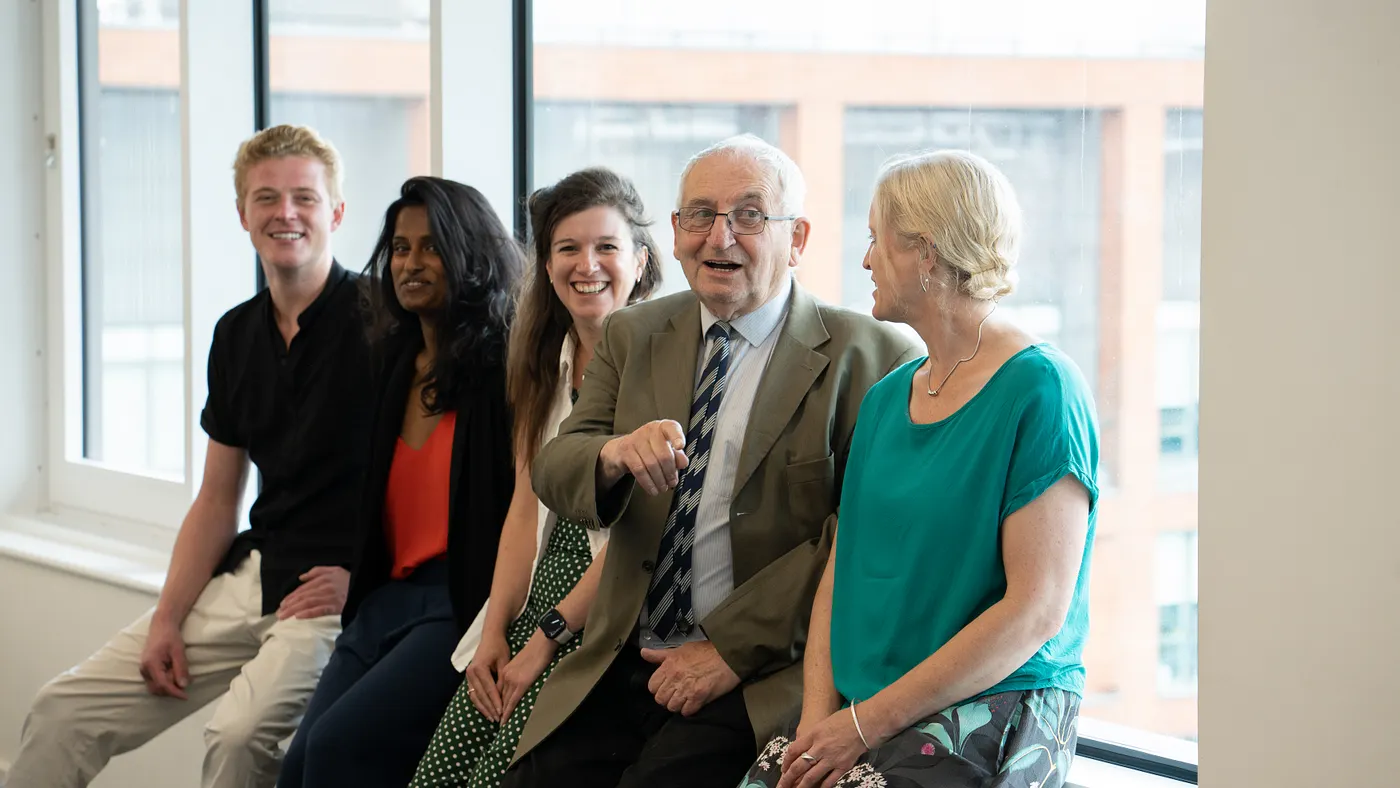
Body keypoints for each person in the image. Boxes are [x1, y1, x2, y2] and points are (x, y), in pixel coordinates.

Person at [498, 135, 922, 788]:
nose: (718, 237)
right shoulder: (633, 333)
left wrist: (728, 648)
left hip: (756, 667)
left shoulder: (870, 357)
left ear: (799, 238)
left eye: (749, 216)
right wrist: (610, 456)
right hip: (622, 651)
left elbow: (854, 542)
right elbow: (555, 469)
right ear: (674, 231)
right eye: (700, 214)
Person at [8, 125, 373, 788]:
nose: (284, 213)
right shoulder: (235, 333)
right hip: (252, 574)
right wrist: (167, 620)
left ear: (337, 212)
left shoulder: (384, 322)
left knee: (236, 738)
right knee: (62, 710)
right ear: (242, 215)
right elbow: (216, 498)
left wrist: (366, 575)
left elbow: (435, 485)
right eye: (266, 198)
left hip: (331, 592)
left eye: (304, 198)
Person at [738, 150, 1099, 788]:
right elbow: (840, 572)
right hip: (864, 708)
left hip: (996, 704)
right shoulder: (886, 399)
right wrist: (818, 721)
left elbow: (1037, 610)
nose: (866, 259)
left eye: (877, 239)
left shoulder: (1043, 390)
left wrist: (861, 726)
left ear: (926, 254)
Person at [410, 167, 663, 788]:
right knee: (436, 774)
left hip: (601, 621)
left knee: (496, 778)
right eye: (568, 248)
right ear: (546, 265)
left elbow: (639, 541)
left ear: (642, 259)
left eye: (607, 246)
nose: (588, 265)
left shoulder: (662, 364)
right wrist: (495, 629)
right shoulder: (544, 365)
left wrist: (544, 641)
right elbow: (524, 511)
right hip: (533, 611)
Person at [275, 177, 521, 788]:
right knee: (297, 766)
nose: (411, 263)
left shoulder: (504, 370)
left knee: (339, 749)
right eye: (401, 248)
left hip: (458, 605)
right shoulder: (392, 361)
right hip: (383, 600)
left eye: (432, 247)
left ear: (469, 253)